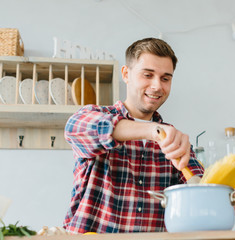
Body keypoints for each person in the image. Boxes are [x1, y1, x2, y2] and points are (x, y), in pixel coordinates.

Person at [63, 38, 204, 233]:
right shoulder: (94, 115)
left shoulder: (175, 142)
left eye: (165, 78)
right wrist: (153, 131)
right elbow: (75, 128)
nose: (157, 86)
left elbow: (202, 191)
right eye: (148, 75)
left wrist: (218, 198)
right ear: (126, 74)